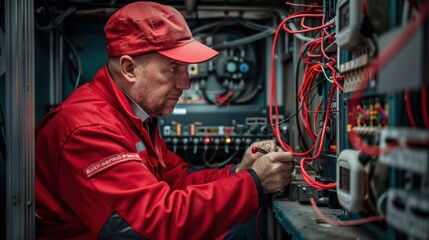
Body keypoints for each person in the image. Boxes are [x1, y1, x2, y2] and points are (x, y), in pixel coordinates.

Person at [35, 1, 293, 239]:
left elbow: (175, 184)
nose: (186, 83)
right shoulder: (88, 129)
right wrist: (253, 184)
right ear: (129, 69)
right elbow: (150, 225)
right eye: (173, 68)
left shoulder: (135, 117)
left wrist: (240, 172)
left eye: (185, 69)